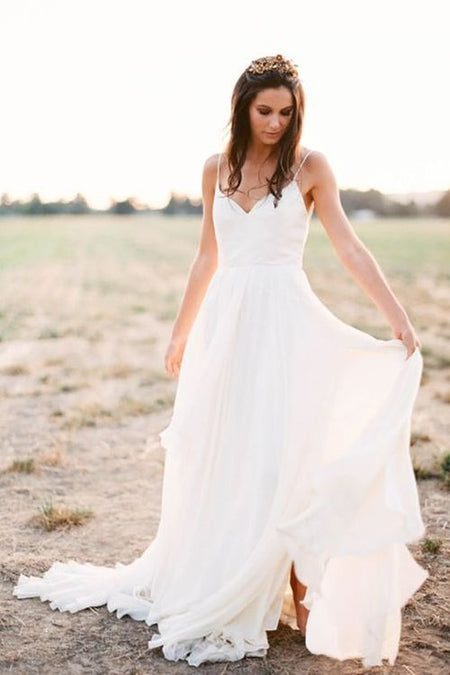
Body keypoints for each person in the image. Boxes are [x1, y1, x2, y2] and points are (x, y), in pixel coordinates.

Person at [13, 54, 428, 669]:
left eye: (287, 112)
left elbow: (348, 244)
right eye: (265, 111)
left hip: (287, 321)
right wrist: (181, 333)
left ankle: (299, 583)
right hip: (227, 328)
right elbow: (207, 257)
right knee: (231, 452)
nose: (276, 123)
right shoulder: (217, 168)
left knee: (287, 450)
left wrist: (396, 314)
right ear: (242, 107)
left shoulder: (311, 167)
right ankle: (240, 573)